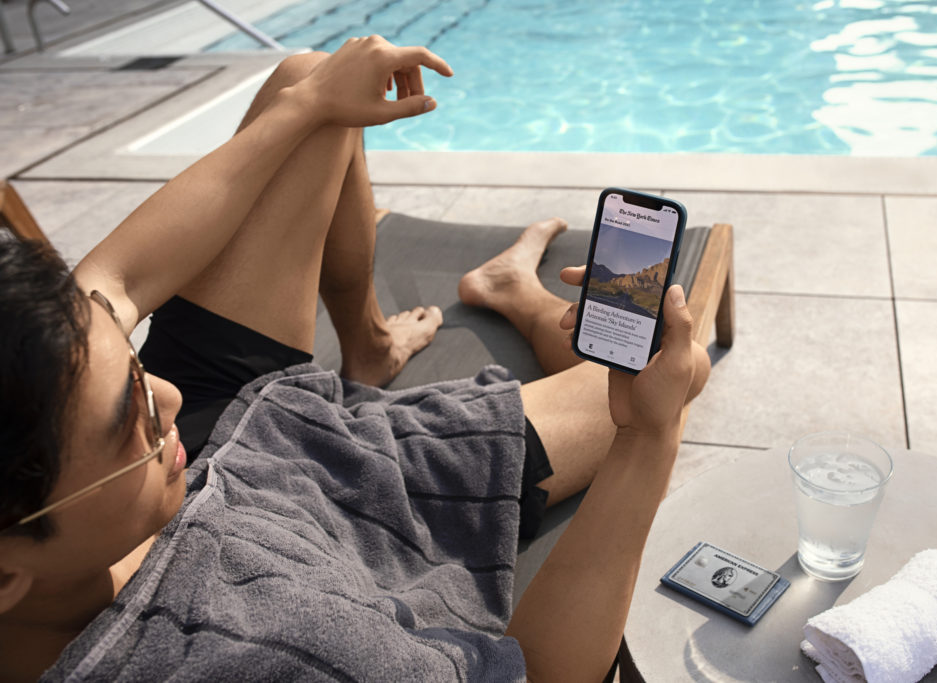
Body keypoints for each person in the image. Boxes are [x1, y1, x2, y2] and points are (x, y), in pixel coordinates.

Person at [0, 36, 710, 682]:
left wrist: (308, 103)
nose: (167, 397)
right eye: (131, 414)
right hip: (322, 498)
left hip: (240, 437)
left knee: (310, 80)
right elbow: (544, 675)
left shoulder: (52, 441)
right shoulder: (263, 652)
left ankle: (366, 348)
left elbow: (113, 283)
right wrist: (648, 439)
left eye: (131, 359)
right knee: (673, 374)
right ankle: (511, 293)